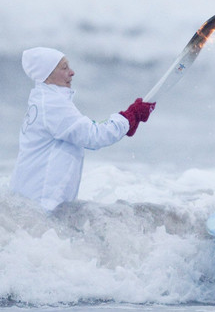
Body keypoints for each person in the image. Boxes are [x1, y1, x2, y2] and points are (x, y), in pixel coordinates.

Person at [10, 47, 155, 211]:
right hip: (41, 205)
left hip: (31, 202)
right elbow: (94, 137)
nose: (72, 72)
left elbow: (85, 129)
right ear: (47, 75)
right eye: (64, 68)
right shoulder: (52, 105)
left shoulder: (45, 100)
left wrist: (128, 120)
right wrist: (130, 116)